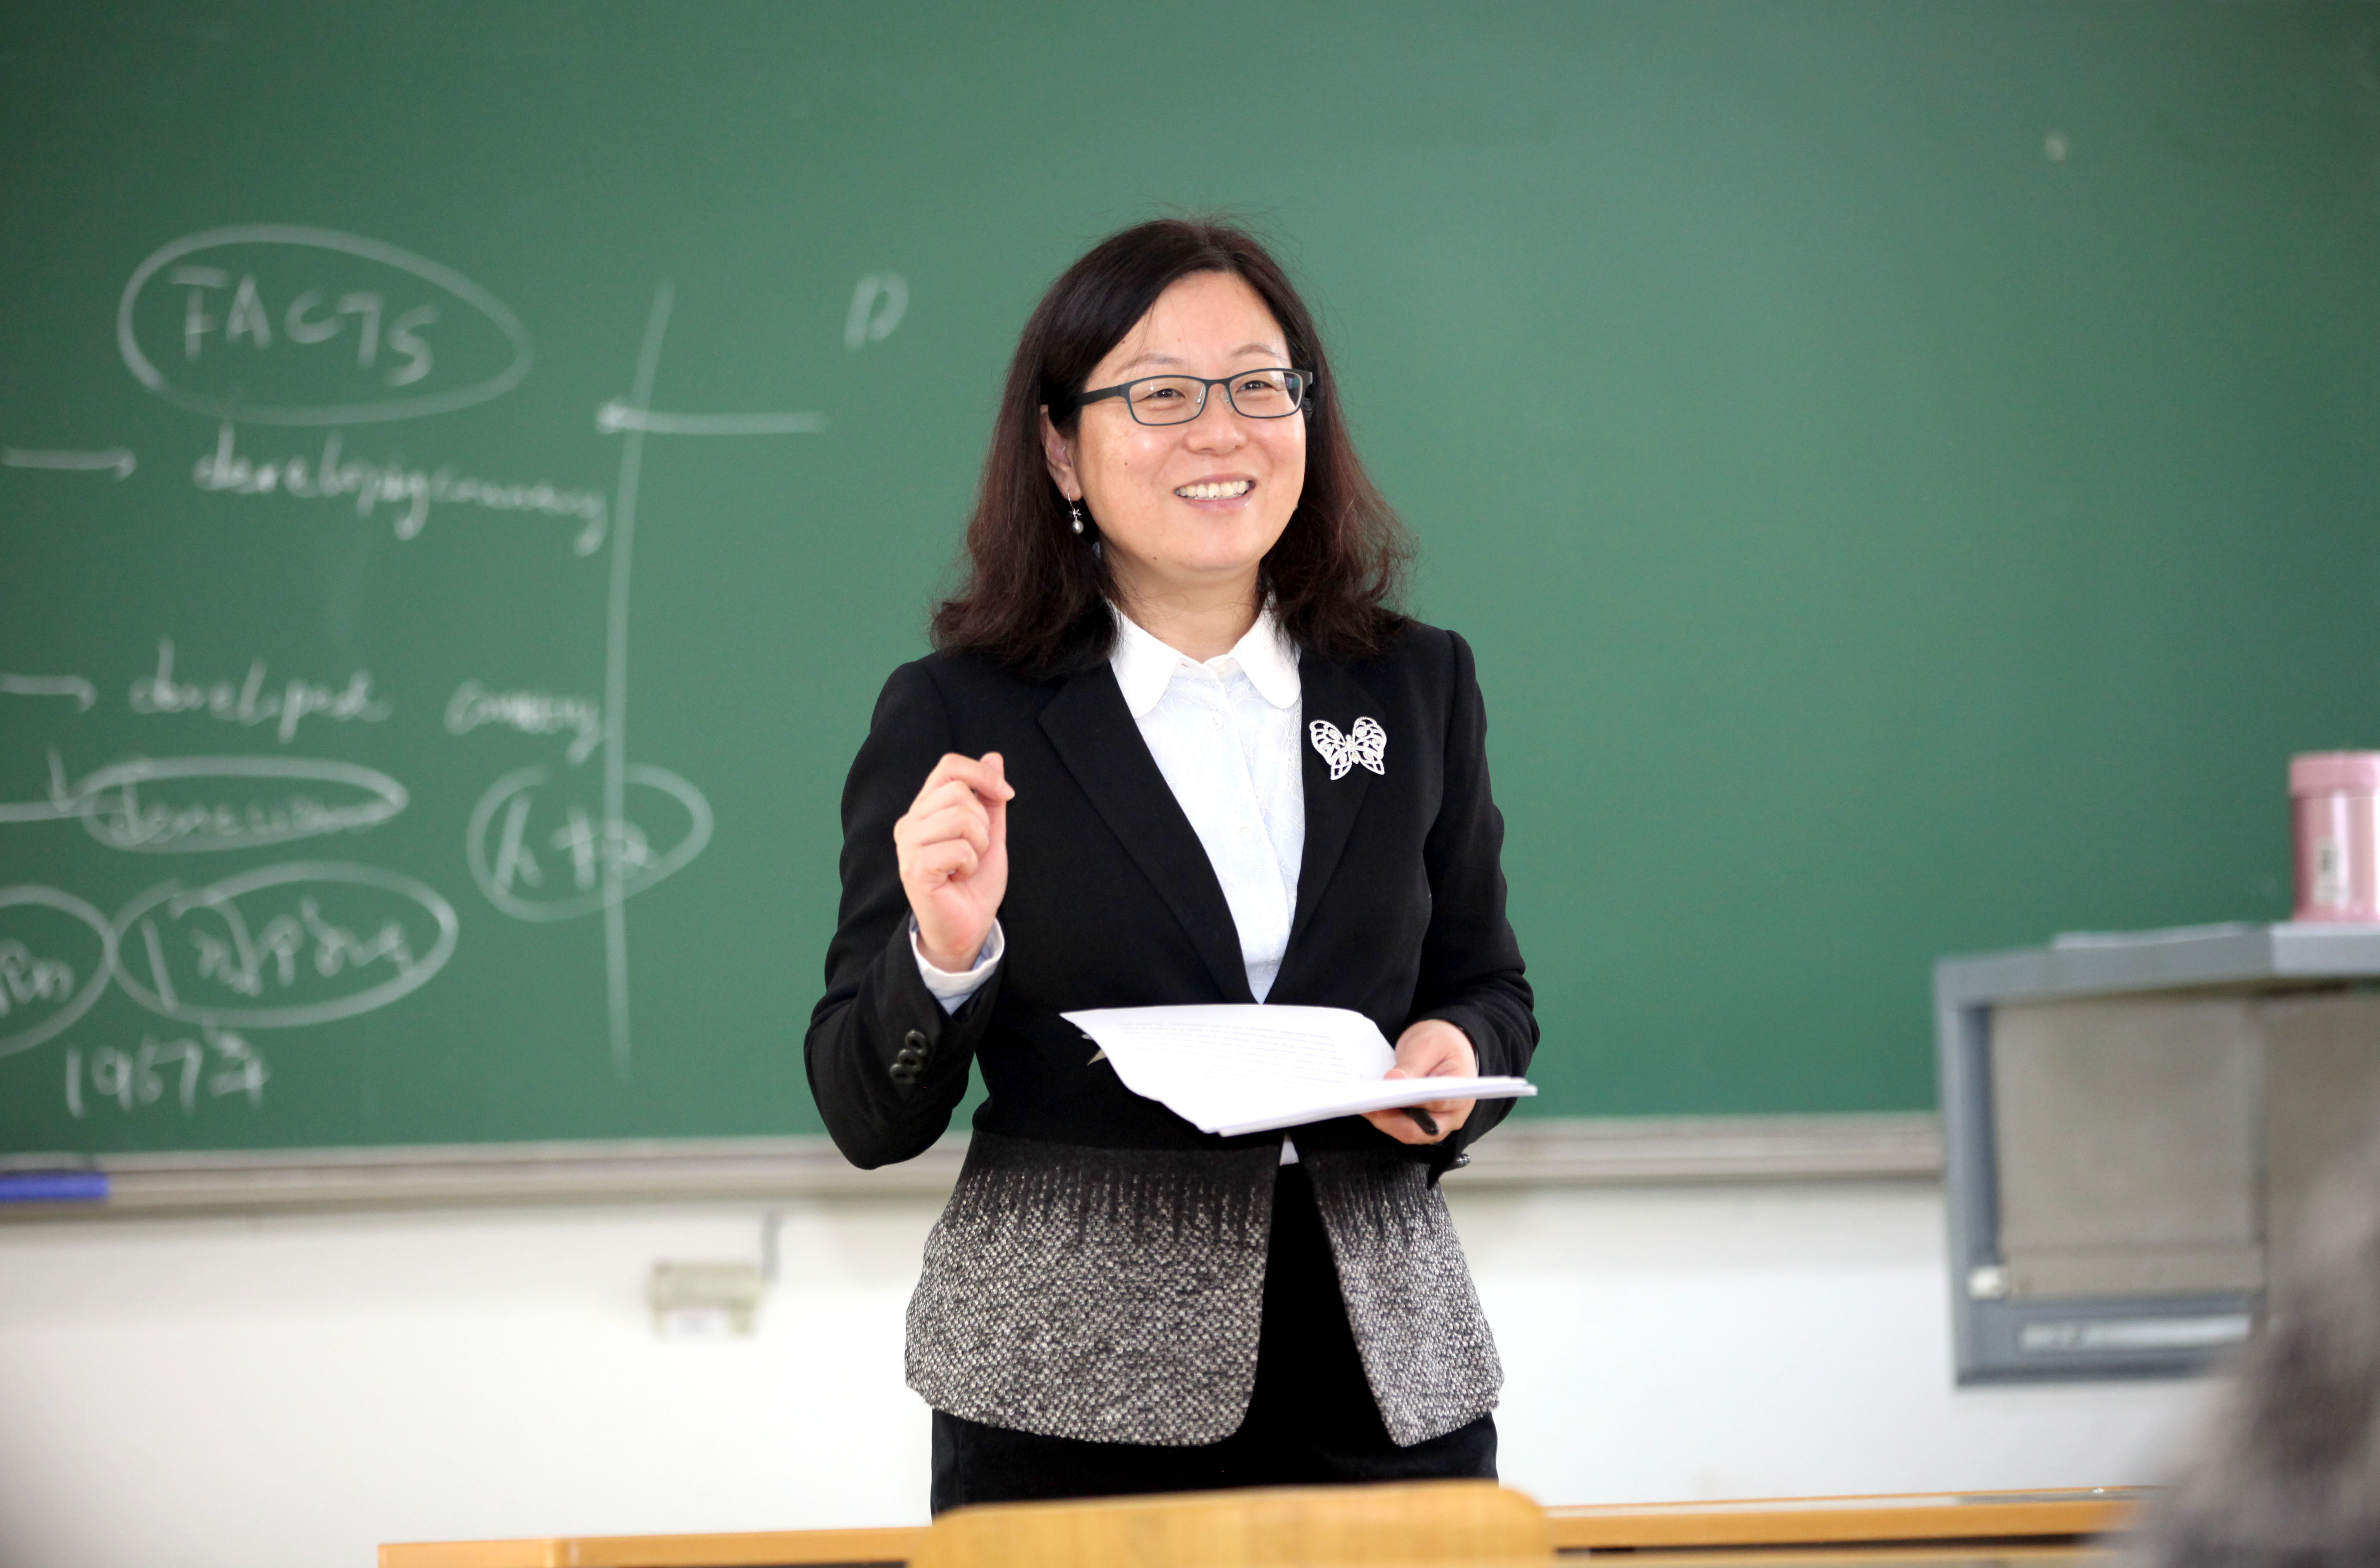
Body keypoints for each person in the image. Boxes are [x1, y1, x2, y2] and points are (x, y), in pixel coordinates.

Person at [805, 217, 1537, 1514]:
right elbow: (869, 1115)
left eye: (1260, 387)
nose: (1221, 432)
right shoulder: (962, 712)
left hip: (1388, 1374)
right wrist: (945, 955)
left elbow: (1489, 986)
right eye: (1160, 395)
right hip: (1070, 1391)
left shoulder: (1415, 684)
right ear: (1060, 448)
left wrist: (1452, 1057)